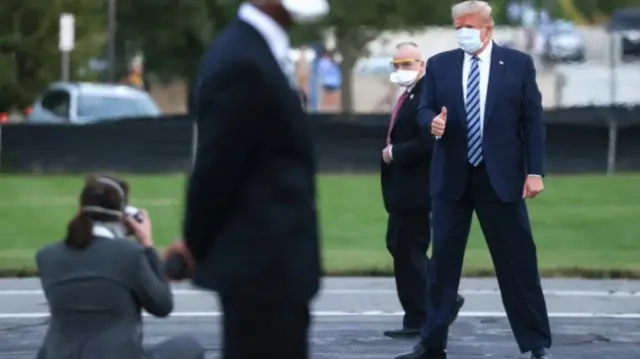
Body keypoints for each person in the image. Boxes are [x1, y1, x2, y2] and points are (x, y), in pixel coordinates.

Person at [165, 1, 329, 359]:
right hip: (261, 268)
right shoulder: (242, 60)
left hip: (271, 266)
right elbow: (216, 164)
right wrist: (196, 242)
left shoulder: (256, 51)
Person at [395, 1, 551, 359]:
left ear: (487, 28)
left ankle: (536, 343)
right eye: (456, 26)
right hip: (452, 177)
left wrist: (534, 171)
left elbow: (532, 122)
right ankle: (432, 343)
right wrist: (431, 122)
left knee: (517, 263)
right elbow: (424, 109)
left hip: (502, 179)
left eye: (468, 25)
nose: (461, 31)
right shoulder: (439, 65)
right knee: (442, 267)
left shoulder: (517, 65)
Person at [35, 175, 204, 359]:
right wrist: (147, 244)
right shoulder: (131, 255)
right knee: (190, 346)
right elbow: (162, 305)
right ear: (123, 216)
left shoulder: (45, 256)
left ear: (80, 209)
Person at [381, 42, 465, 339]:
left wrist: (395, 153)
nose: (401, 70)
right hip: (404, 186)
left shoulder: (427, 97)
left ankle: (433, 305)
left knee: (408, 247)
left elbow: (429, 141)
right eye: (397, 64)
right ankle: (419, 312)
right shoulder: (411, 94)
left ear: (422, 64)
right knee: (401, 245)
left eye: (407, 64)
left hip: (417, 186)